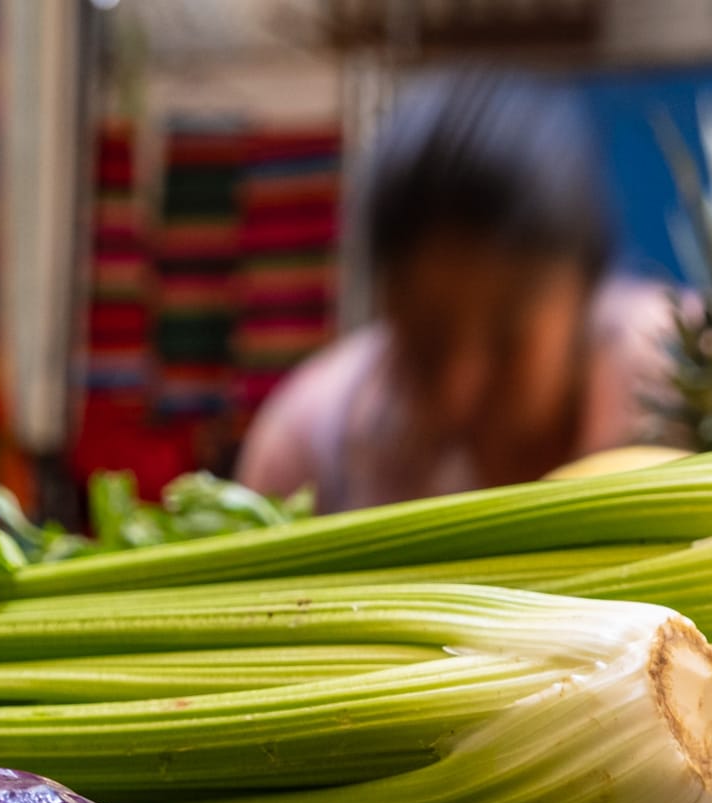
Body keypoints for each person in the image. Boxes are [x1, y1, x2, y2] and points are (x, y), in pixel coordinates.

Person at [237, 70, 680, 511]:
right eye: (425, 344)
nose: (458, 389)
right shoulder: (307, 453)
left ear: (586, 291)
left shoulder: (697, 389)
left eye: (508, 340)